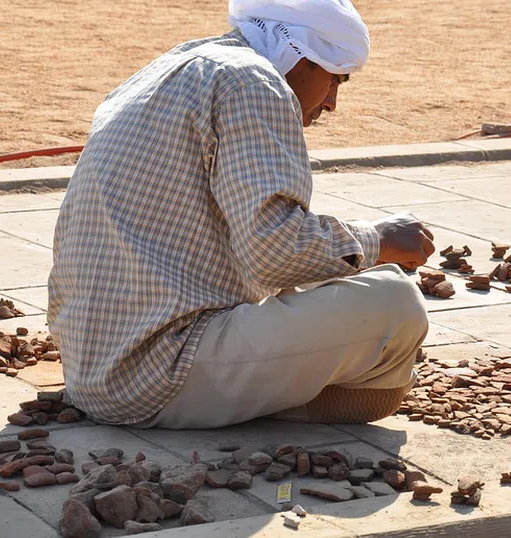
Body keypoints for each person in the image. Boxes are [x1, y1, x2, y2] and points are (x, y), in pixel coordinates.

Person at [47, 0, 435, 429]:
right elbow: (274, 252)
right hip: (155, 374)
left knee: (339, 280)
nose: (331, 103)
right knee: (396, 303)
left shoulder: (179, 63)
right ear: (299, 55)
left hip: (90, 365)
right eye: (334, 79)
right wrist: (377, 240)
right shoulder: (253, 82)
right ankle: (285, 403)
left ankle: (269, 390)